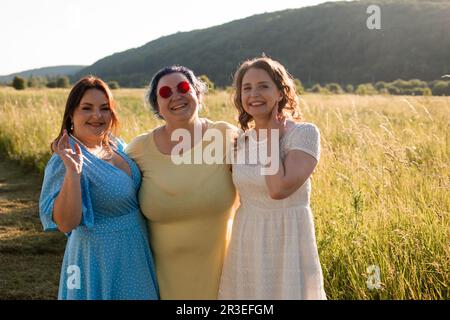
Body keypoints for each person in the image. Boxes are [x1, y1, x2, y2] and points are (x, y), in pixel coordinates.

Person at [39, 76, 159, 300]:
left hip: (135, 249)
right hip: (98, 257)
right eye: (87, 108)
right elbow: (66, 223)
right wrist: (73, 173)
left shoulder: (117, 144)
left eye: (104, 108)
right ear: (71, 115)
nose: (97, 115)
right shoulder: (64, 159)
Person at [218, 57, 327, 299]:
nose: (254, 94)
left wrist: (270, 139)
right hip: (246, 240)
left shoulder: (304, 134)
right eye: (247, 88)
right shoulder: (240, 141)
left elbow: (277, 189)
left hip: (287, 239)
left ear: (280, 92)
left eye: (263, 86)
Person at [125, 66, 237, 299]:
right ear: (157, 106)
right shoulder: (138, 149)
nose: (175, 96)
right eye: (165, 92)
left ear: (198, 94)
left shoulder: (227, 137)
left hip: (224, 276)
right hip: (160, 280)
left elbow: (262, 180)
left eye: (184, 88)